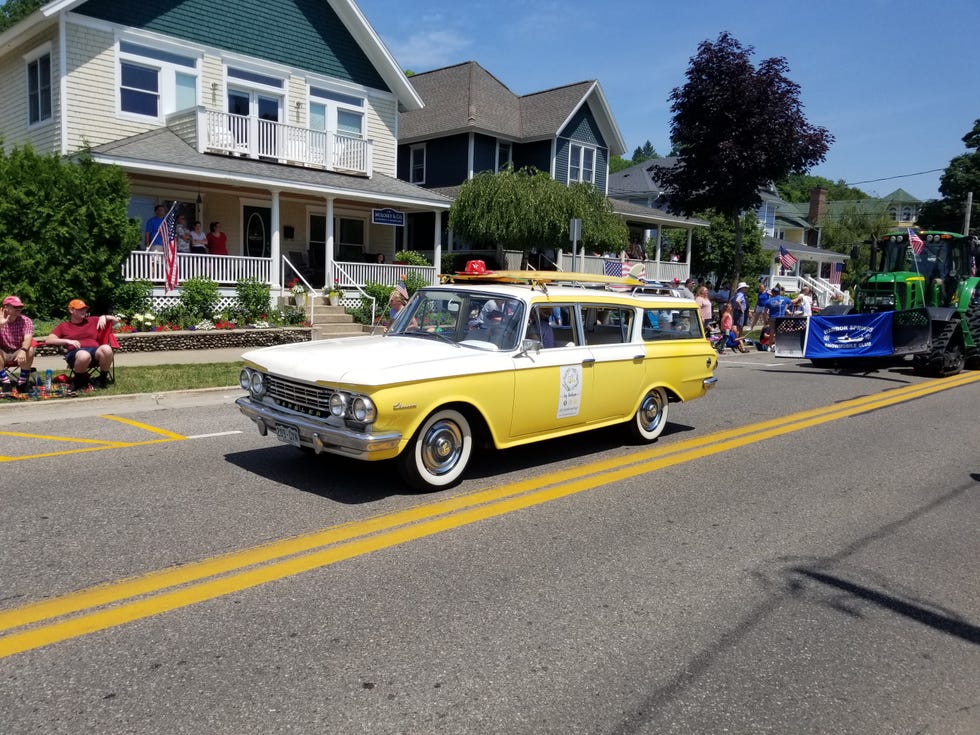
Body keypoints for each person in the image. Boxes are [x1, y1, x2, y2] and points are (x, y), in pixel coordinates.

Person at [46, 299, 120, 389]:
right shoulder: (63, 326)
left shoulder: (92, 320)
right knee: (84, 355)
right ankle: (78, 381)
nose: (84, 311)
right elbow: (49, 340)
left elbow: (116, 322)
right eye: (80, 309)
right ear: (71, 310)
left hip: (95, 352)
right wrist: (67, 341)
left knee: (106, 348)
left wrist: (105, 317)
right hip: (76, 354)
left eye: (85, 309)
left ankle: (102, 379)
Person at [0, 295, 35, 393]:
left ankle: (22, 383)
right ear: (6, 307)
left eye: (20, 307)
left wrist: (23, 350)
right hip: (2, 352)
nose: (18, 309)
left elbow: (28, 338)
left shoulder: (26, 320)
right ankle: (5, 382)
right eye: (15, 307)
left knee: (30, 349)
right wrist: (1, 324)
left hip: (17, 351)